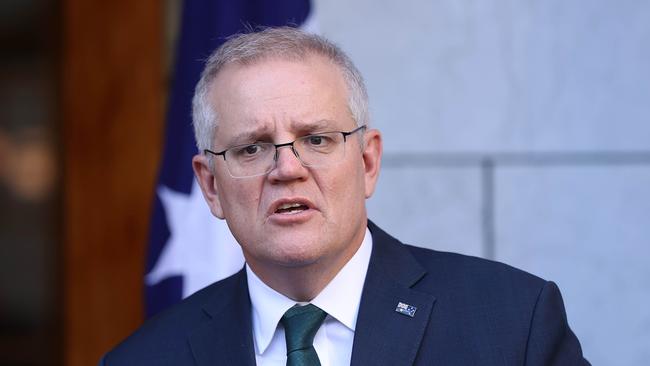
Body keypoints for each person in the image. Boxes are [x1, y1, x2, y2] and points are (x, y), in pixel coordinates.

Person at [101, 27, 589, 365]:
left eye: (316, 139)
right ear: (211, 186)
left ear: (367, 162)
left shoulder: (513, 323)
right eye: (252, 148)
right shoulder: (143, 359)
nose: (287, 169)